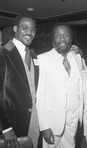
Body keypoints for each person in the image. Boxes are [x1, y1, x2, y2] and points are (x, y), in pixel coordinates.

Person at [36, 22, 83, 148]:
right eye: (58, 35)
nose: (62, 38)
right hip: (52, 119)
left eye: (66, 34)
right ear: (52, 39)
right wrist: (44, 126)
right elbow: (39, 96)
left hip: (73, 116)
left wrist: (79, 114)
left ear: (71, 38)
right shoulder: (42, 59)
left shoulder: (77, 58)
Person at [0, 13, 40, 148]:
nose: (29, 32)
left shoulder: (34, 55)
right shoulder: (3, 53)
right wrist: (5, 128)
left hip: (34, 121)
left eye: (33, 29)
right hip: (13, 125)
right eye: (25, 27)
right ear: (15, 29)